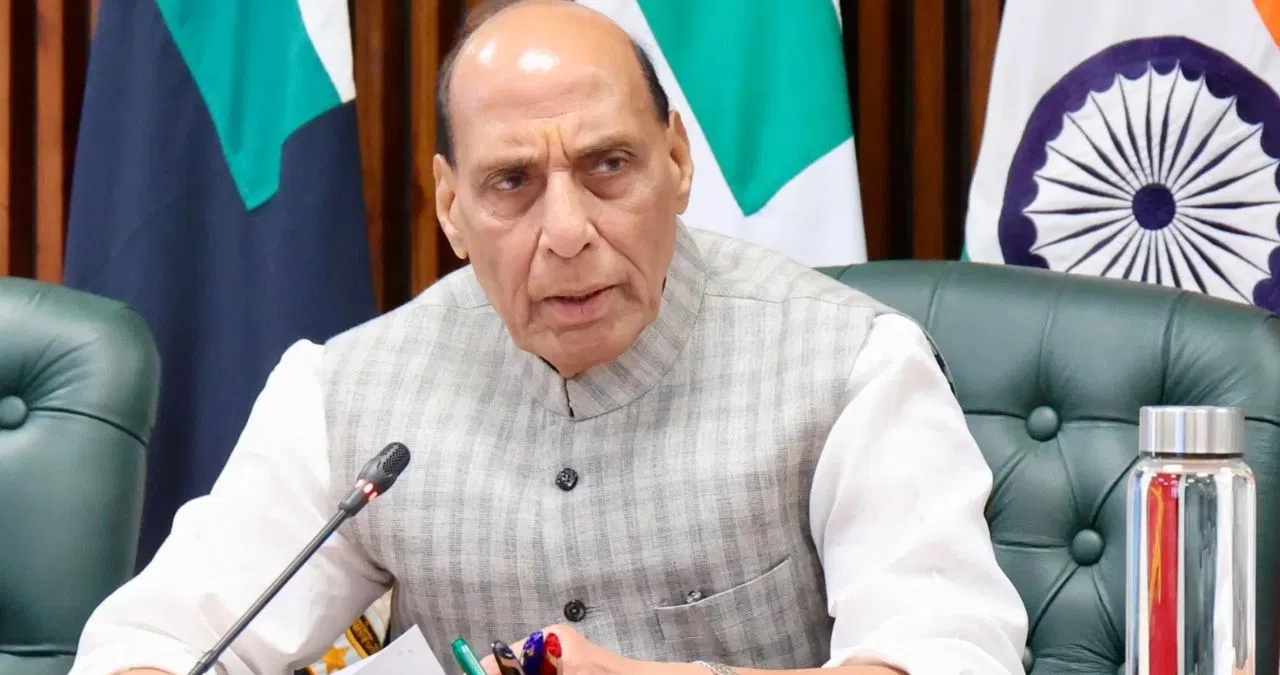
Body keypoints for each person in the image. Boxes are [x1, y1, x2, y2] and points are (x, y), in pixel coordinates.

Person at [69, 1, 1029, 674]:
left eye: (608, 166)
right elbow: (149, 642)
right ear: (451, 206)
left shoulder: (852, 363)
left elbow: (949, 657)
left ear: (678, 162)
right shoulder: (347, 392)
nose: (567, 231)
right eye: (512, 183)